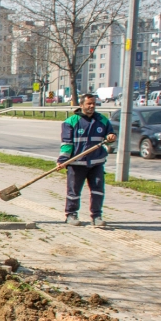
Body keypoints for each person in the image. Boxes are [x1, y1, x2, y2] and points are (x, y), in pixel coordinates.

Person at [60, 93, 117, 228]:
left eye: (93, 104)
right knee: (73, 191)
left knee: (98, 190)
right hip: (76, 163)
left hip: (96, 163)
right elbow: (66, 143)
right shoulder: (71, 122)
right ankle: (71, 214)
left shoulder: (102, 121)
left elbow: (110, 138)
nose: (91, 106)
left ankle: (97, 216)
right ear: (81, 105)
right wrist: (63, 160)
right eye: (88, 104)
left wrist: (111, 138)